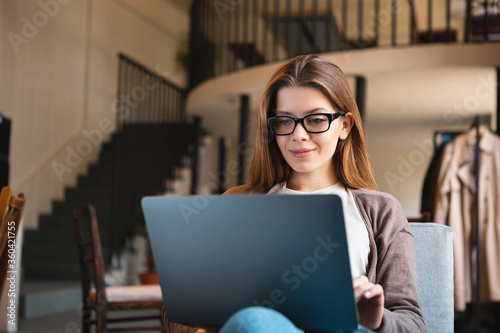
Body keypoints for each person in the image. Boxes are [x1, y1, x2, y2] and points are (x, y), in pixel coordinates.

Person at [163, 54, 426, 332]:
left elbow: (414, 325)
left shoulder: (380, 211)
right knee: (253, 322)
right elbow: (178, 312)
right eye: (285, 122)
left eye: (315, 119)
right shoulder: (239, 203)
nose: (298, 135)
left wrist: (376, 319)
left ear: (345, 126)